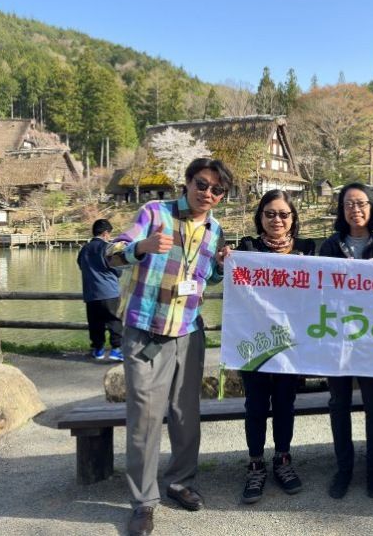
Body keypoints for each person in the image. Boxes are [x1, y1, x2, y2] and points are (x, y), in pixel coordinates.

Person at [106, 158, 233, 536]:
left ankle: (180, 481)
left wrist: (223, 266)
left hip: (188, 332)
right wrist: (141, 247)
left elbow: (206, 277)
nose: (207, 193)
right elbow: (111, 254)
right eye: (201, 183)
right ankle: (144, 503)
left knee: (185, 412)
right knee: (145, 416)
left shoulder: (214, 229)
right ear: (187, 182)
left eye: (216, 189)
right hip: (145, 328)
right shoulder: (155, 212)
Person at [235, 190, 315, 504]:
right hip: (254, 341)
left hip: (292, 342)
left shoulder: (309, 249)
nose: (277, 220)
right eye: (270, 213)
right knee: (255, 404)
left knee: (285, 403)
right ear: (260, 217)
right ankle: (255, 463)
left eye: (283, 214)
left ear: (293, 219)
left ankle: (282, 459)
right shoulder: (246, 248)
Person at [319, 183, 373, 500]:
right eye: (349, 204)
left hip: (372, 338)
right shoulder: (329, 246)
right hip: (336, 337)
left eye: (362, 203)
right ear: (341, 209)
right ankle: (344, 470)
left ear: (372, 208)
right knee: (338, 405)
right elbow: (316, 288)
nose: (356, 209)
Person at [77, 219, 124, 362]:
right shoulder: (109, 247)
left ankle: (98, 350)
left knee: (95, 322)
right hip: (109, 291)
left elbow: (80, 265)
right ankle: (116, 350)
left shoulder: (84, 249)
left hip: (91, 292)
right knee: (114, 321)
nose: (110, 236)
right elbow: (118, 270)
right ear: (105, 233)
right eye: (109, 233)